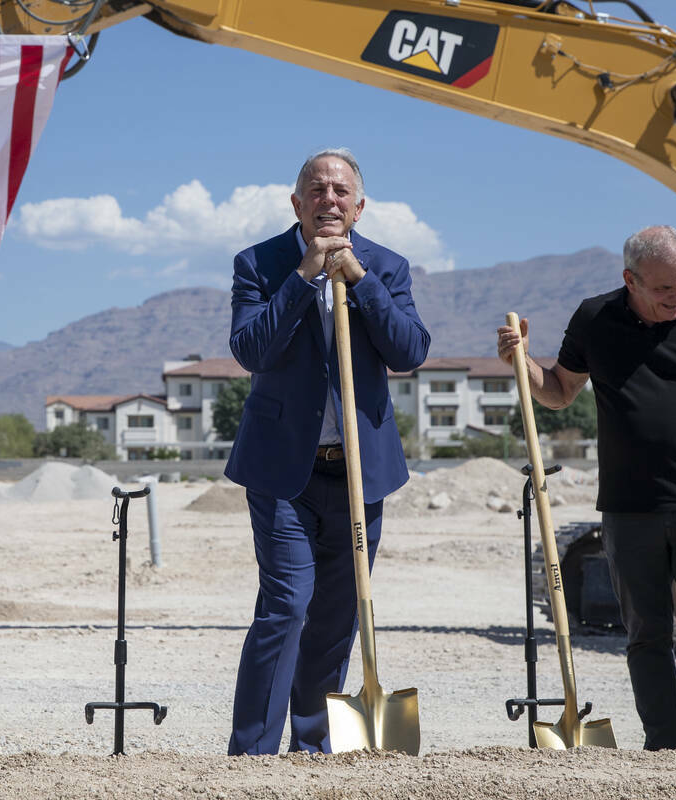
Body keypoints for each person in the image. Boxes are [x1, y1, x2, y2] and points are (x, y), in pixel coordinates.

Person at [496, 224, 676, 750]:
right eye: (664, 288)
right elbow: (560, 392)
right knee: (645, 637)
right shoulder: (596, 318)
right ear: (630, 280)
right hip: (627, 511)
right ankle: (664, 748)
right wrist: (521, 362)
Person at [224, 148, 431, 755]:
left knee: (339, 613)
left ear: (359, 207)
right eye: (316, 191)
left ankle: (314, 746)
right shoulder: (260, 264)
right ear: (297, 204)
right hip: (282, 471)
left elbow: (410, 350)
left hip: (359, 474)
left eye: (341, 192)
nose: (329, 200)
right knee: (287, 605)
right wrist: (304, 278)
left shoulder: (386, 267)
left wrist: (360, 284)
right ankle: (252, 752)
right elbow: (251, 350)